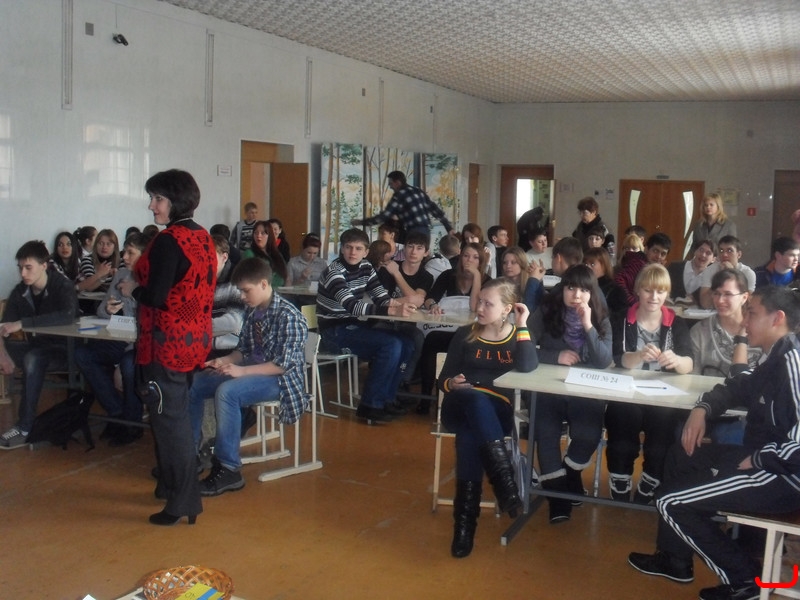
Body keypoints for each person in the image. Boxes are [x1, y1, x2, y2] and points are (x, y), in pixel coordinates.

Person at [627, 285, 800, 600]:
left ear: (777, 318)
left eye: (752, 313)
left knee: (669, 501)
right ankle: (675, 560)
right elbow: (737, 385)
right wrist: (702, 409)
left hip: (783, 475)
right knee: (681, 453)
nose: (745, 321)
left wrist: (760, 459)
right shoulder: (773, 356)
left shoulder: (792, 363)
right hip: (764, 459)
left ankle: (745, 580)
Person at [117, 169, 216, 526]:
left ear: (176, 201)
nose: (151, 206)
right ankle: (170, 486)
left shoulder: (168, 240)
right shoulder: (202, 236)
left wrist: (132, 289)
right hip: (193, 341)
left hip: (167, 345)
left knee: (170, 423)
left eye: (157, 198)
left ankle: (182, 502)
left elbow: (156, 297)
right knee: (172, 416)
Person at [188, 257, 308, 496]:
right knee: (195, 383)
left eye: (246, 291)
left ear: (263, 284)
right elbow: (243, 350)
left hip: (281, 380)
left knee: (227, 392)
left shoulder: (289, 315)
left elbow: (283, 365)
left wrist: (241, 371)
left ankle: (228, 468)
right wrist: (224, 361)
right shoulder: (253, 311)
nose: (242, 297)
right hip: (253, 372)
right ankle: (189, 454)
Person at [438, 278, 537, 557]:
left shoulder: (516, 336)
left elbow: (528, 366)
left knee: (469, 437)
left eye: (487, 303)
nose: (479, 307)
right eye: (479, 301)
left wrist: (523, 325)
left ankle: (464, 528)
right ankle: (505, 484)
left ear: (507, 309)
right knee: (474, 398)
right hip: (459, 404)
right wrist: (451, 384)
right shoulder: (465, 334)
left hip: (496, 416)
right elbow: (442, 380)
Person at [531, 264, 613, 523]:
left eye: (584, 290)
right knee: (545, 431)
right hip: (549, 387)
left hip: (584, 390)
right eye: (571, 288)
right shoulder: (547, 310)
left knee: (588, 434)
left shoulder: (600, 317)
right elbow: (520, 345)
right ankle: (557, 497)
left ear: (592, 293)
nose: (577, 295)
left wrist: (588, 325)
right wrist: (554, 356)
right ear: (562, 289)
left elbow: (603, 361)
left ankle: (570, 473)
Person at [606, 263, 693, 504]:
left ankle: (652, 477)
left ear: (667, 293)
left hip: (663, 394)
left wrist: (676, 360)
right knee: (622, 417)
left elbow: (689, 363)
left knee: (663, 426)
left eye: (660, 291)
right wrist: (637, 356)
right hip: (627, 391)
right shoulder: (620, 319)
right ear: (637, 291)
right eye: (648, 290)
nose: (654, 297)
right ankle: (620, 474)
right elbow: (615, 358)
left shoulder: (677, 323)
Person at [316, 228, 416, 423]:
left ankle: (387, 398)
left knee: (407, 343)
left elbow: (381, 296)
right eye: (348, 247)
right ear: (341, 249)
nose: (353, 252)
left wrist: (397, 305)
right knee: (391, 345)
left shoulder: (366, 267)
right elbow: (352, 306)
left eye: (358, 248)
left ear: (366, 252)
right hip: (332, 331)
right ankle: (370, 405)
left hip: (353, 327)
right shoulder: (333, 272)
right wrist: (391, 311)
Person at [74, 232, 151, 446]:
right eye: (124, 252)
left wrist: (134, 293)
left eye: (130, 253)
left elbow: (152, 319)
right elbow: (101, 310)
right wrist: (108, 310)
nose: (124, 257)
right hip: (122, 339)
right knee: (83, 354)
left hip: (142, 344)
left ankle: (132, 424)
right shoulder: (122, 274)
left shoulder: (153, 279)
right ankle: (117, 412)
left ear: (144, 255)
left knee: (128, 364)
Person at [0, 241, 78, 447]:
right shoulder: (20, 291)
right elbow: (3, 327)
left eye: (28, 267)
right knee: (28, 355)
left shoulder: (62, 285)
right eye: (20, 268)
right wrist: (3, 355)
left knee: (32, 358)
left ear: (44, 266)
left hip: (64, 350)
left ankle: (24, 427)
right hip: (35, 347)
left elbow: (67, 315)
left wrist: (23, 323)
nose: (23, 273)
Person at [417, 242, 491, 413]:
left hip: (472, 333)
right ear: (460, 257)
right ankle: (426, 396)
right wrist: (433, 305)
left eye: (475, 257)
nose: (469, 260)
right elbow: (430, 298)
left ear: (481, 262)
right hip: (448, 327)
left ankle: (451, 398)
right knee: (431, 340)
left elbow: (475, 307)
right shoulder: (448, 275)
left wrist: (477, 276)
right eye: (466, 256)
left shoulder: (488, 281)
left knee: (463, 344)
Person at [352, 170, 455, 239]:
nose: (390, 186)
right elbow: (434, 209)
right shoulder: (418, 191)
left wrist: (361, 222)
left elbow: (384, 216)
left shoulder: (399, 195)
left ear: (397, 182)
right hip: (426, 231)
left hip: (413, 232)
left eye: (391, 183)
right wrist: (448, 227)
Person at [524, 236, 583, 316]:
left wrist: (533, 280)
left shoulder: (566, 287)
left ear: (558, 258)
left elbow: (527, 313)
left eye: (552, 258)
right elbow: (546, 302)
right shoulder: (581, 280)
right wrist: (539, 280)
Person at [209, 235, 245, 357]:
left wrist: (196, 329)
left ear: (224, 257)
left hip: (229, 350)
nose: (205, 261)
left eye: (210, 257)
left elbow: (234, 322)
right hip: (202, 346)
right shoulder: (201, 279)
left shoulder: (236, 280)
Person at [697, 235, 756, 308]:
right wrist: (720, 278)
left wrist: (732, 274)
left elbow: (748, 304)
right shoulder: (709, 270)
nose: (724, 255)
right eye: (721, 251)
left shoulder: (748, 273)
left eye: (729, 251)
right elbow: (705, 304)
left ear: (739, 254)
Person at [615, 232, 672, 306]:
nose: (658, 256)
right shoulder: (638, 263)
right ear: (646, 249)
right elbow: (618, 280)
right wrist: (635, 304)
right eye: (655, 251)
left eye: (663, 254)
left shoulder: (653, 267)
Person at [583, 247, 628, 317]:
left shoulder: (616, 291)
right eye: (585, 264)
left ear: (604, 265)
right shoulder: (581, 287)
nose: (587, 268)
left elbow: (620, 317)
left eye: (592, 264)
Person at [242, 220, 288, 287]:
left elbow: (283, 275)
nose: (258, 236)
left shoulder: (276, 254)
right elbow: (251, 279)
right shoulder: (249, 254)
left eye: (263, 233)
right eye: (256, 233)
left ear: (269, 236)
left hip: (279, 290)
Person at [77, 229, 120, 293]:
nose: (104, 247)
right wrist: (100, 274)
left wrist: (117, 278)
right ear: (96, 245)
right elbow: (89, 288)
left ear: (115, 247)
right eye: (101, 243)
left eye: (108, 244)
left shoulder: (121, 261)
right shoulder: (87, 260)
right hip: (91, 298)